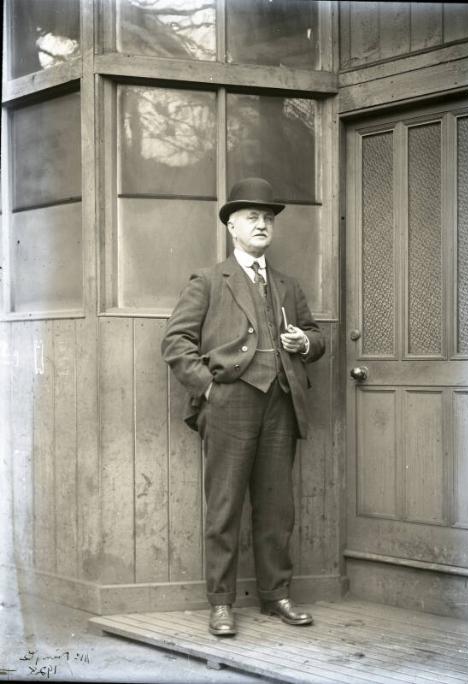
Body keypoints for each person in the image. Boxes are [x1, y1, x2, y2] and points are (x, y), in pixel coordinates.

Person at [161, 177, 325, 636]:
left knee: (277, 508)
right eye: (252, 217)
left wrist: (305, 342)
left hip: (282, 403)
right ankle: (221, 603)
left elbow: (317, 336)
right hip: (229, 404)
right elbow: (176, 342)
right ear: (232, 226)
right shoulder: (209, 282)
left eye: (268, 218)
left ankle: (277, 596)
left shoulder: (288, 287)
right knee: (225, 507)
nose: (262, 224)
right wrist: (210, 390)